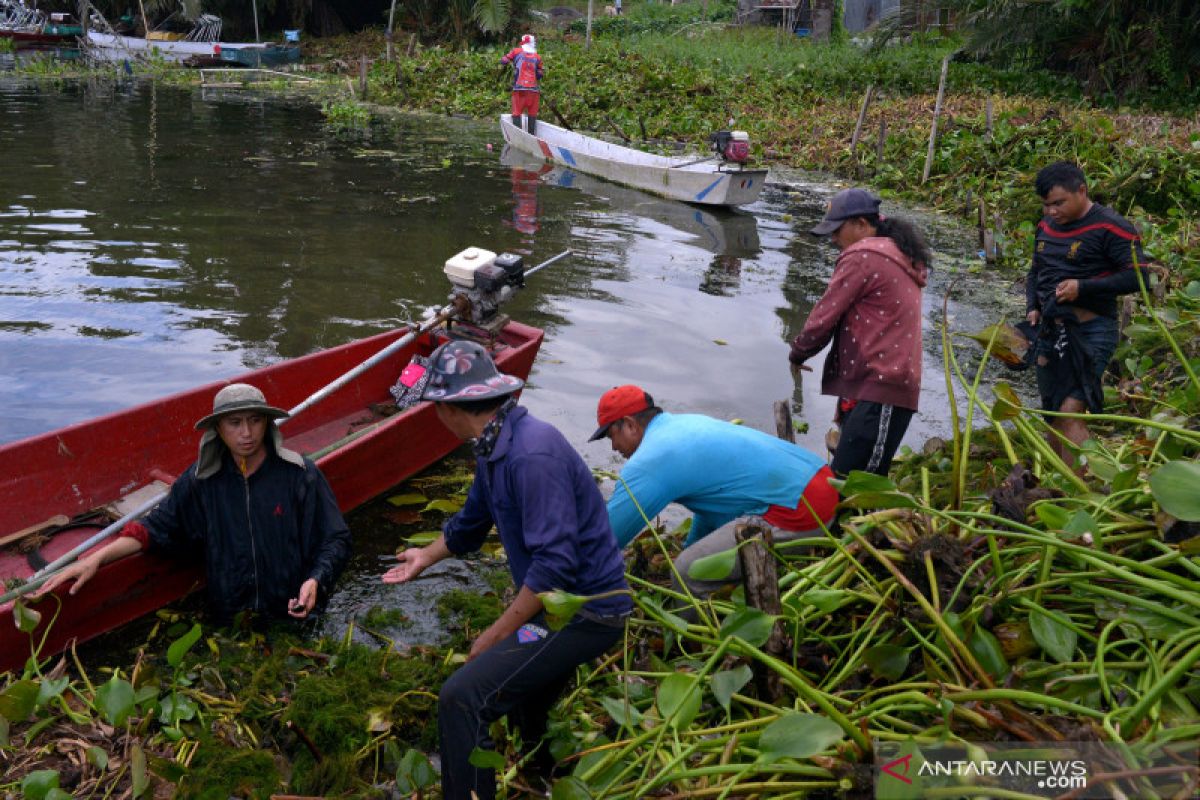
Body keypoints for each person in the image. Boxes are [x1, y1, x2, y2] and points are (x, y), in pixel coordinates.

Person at [381, 341, 630, 799]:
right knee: (518, 692)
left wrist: (495, 633)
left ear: (453, 407)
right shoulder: (495, 442)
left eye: (436, 406)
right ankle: (539, 772)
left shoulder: (531, 455)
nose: (435, 416)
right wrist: (424, 556)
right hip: (554, 610)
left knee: (463, 698)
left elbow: (555, 566)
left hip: (584, 615)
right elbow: (472, 522)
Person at [37, 384, 351, 622]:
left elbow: (335, 538)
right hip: (230, 614)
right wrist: (95, 559)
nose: (246, 433)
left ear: (267, 424)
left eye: (255, 421)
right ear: (218, 430)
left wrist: (316, 579)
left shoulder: (299, 475)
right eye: (234, 423)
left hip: (293, 609)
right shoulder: (203, 480)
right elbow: (156, 529)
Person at [590, 385, 838, 598]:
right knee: (693, 556)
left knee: (687, 572)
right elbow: (711, 504)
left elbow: (605, 539)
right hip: (823, 481)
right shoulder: (685, 424)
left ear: (630, 425)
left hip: (802, 511)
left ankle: (695, 649)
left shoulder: (651, 460)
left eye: (612, 435)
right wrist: (692, 544)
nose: (613, 447)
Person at [789, 188, 929, 477]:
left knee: (854, 485)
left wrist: (799, 352)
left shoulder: (863, 255)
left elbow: (825, 315)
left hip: (882, 387)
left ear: (862, 225)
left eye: (837, 231)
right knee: (852, 480)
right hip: (876, 384)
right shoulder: (897, 252)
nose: (834, 239)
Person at [1025, 161, 1153, 461]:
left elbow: (1138, 278)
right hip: (1050, 331)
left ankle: (1085, 487)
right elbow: (1035, 272)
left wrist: (1082, 288)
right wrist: (1032, 305)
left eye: (1059, 203)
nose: (1051, 212)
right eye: (1046, 205)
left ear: (1082, 190)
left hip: (1091, 331)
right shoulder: (1045, 226)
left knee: (1070, 412)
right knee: (1052, 412)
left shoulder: (1112, 226)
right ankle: (1062, 485)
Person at [500, 34, 544, 135]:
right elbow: (540, 74)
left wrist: (506, 61)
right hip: (533, 91)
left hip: (519, 89)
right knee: (532, 114)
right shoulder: (537, 57)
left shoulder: (516, 51)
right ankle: (531, 135)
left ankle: (518, 135)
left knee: (517, 113)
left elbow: (503, 61)